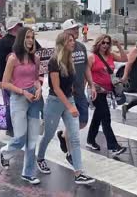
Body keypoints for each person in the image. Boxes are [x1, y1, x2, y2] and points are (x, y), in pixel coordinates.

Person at [36, 32, 96, 185]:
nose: (73, 42)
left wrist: (85, 89)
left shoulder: (70, 59)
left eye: (73, 40)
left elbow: (72, 81)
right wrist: (70, 106)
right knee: (48, 135)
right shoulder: (54, 61)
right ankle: (40, 157)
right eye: (70, 40)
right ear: (63, 43)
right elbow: (55, 87)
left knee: (75, 138)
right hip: (55, 102)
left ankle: (78, 173)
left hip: (69, 99)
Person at [0, 27, 43, 185]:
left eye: (32, 37)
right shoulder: (13, 59)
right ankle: (5, 152)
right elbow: (4, 83)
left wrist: (38, 88)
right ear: (21, 40)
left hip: (34, 99)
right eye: (27, 37)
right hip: (18, 98)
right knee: (19, 137)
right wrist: (23, 92)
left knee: (32, 138)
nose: (30, 40)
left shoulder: (35, 58)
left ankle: (28, 172)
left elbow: (37, 78)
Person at [56, 19, 96, 162]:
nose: (76, 31)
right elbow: (57, 71)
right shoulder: (61, 49)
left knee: (83, 121)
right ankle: (70, 154)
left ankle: (63, 136)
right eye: (73, 29)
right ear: (65, 32)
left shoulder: (80, 47)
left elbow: (85, 67)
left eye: (77, 28)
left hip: (80, 91)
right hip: (67, 93)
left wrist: (91, 84)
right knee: (72, 125)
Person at [0, 17, 41, 136]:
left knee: (31, 124)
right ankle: (12, 129)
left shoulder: (28, 40)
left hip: (30, 84)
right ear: (13, 27)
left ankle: (20, 131)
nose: (20, 26)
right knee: (12, 107)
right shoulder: (4, 41)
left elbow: (39, 49)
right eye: (18, 25)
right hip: (13, 81)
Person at [86, 34, 128, 156]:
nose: (105, 45)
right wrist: (90, 86)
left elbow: (124, 59)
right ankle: (113, 146)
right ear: (98, 43)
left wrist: (119, 46)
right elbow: (86, 73)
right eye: (103, 43)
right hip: (96, 92)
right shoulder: (92, 57)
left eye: (107, 43)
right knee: (106, 118)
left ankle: (90, 140)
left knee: (97, 118)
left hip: (106, 92)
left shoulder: (110, 55)